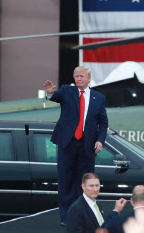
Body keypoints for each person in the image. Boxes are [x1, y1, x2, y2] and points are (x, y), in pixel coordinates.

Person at [44, 66, 108, 224]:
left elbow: (103, 123)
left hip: (87, 145)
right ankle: (66, 217)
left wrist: (100, 140)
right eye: (76, 76)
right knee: (65, 180)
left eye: (82, 76)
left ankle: (82, 216)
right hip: (68, 143)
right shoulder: (67, 91)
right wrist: (50, 93)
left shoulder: (98, 98)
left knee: (84, 182)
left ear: (88, 79)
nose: (79, 79)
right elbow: (55, 97)